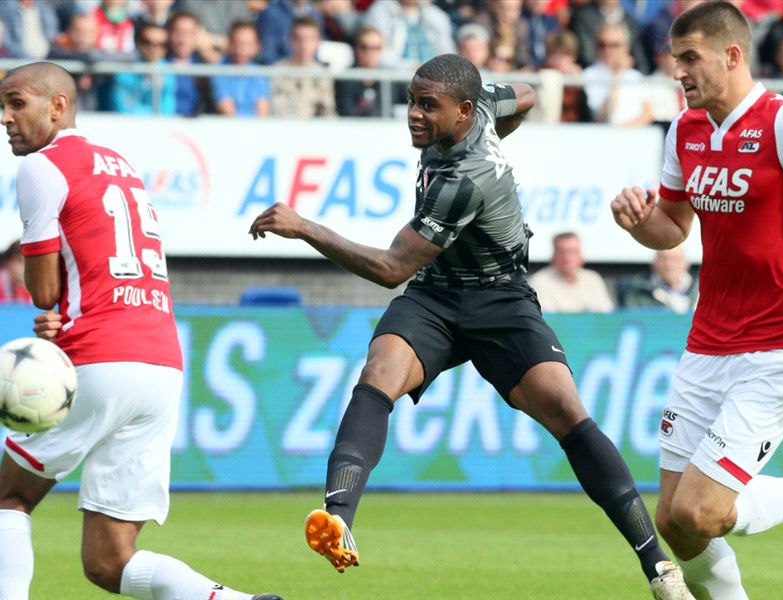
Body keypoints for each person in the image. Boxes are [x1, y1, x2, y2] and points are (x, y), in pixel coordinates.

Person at [249, 53, 694, 600]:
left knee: (567, 412)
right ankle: (337, 516)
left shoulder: (465, 178)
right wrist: (501, 119)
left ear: (461, 111)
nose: (413, 114)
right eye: (411, 100)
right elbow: (527, 91)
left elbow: (391, 269)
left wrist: (304, 227)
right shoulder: (480, 104)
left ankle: (657, 567)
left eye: (426, 105)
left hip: (499, 299)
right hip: (437, 293)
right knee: (379, 372)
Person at [0, 62, 282, 600]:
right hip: (159, 362)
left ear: (57, 106)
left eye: (17, 103)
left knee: (9, 497)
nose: (6, 119)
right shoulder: (120, 166)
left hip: (97, 357)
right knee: (108, 561)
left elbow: (40, 289)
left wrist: (54, 308)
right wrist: (63, 304)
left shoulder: (41, 166)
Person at [610, 3, 783, 598]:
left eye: (690, 58)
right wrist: (640, 225)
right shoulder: (685, 131)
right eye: (674, 60)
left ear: (732, 55)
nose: (679, 72)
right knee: (673, 520)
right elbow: (673, 225)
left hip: (778, 345)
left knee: (699, 511)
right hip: (707, 342)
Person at [582, 23, 654, 126]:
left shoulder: (635, 76)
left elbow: (649, 114)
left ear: (625, 47)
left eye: (613, 45)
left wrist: (626, 130)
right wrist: (616, 75)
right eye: (602, 44)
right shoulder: (589, 75)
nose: (607, 50)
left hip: (635, 135)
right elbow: (602, 116)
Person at [528, 231, 615, 312]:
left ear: (580, 254)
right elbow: (546, 319)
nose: (567, 258)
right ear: (553, 255)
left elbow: (606, 315)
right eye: (562, 252)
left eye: (573, 252)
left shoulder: (593, 279)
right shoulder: (540, 281)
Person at [103, 23, 177, 115]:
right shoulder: (123, 70)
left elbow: (167, 110)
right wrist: (152, 115)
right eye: (147, 42)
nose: (153, 48)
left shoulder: (168, 71)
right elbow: (122, 108)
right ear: (138, 42)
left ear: (166, 48)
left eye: (160, 44)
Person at [271, 16, 336, 118]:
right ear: (290, 40)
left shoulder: (323, 75)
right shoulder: (276, 71)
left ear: (317, 41)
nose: (304, 45)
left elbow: (328, 112)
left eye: (309, 39)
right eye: (299, 39)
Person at [210, 20, 271, 117]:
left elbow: (262, 111)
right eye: (237, 43)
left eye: (246, 44)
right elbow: (227, 111)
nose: (241, 49)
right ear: (230, 43)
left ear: (255, 47)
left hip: (255, 129)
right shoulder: (218, 70)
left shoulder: (259, 73)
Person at [617, 246, 698, 313]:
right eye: (664, 259)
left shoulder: (701, 290)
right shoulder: (636, 289)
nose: (669, 265)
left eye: (675, 259)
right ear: (653, 263)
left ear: (686, 264)